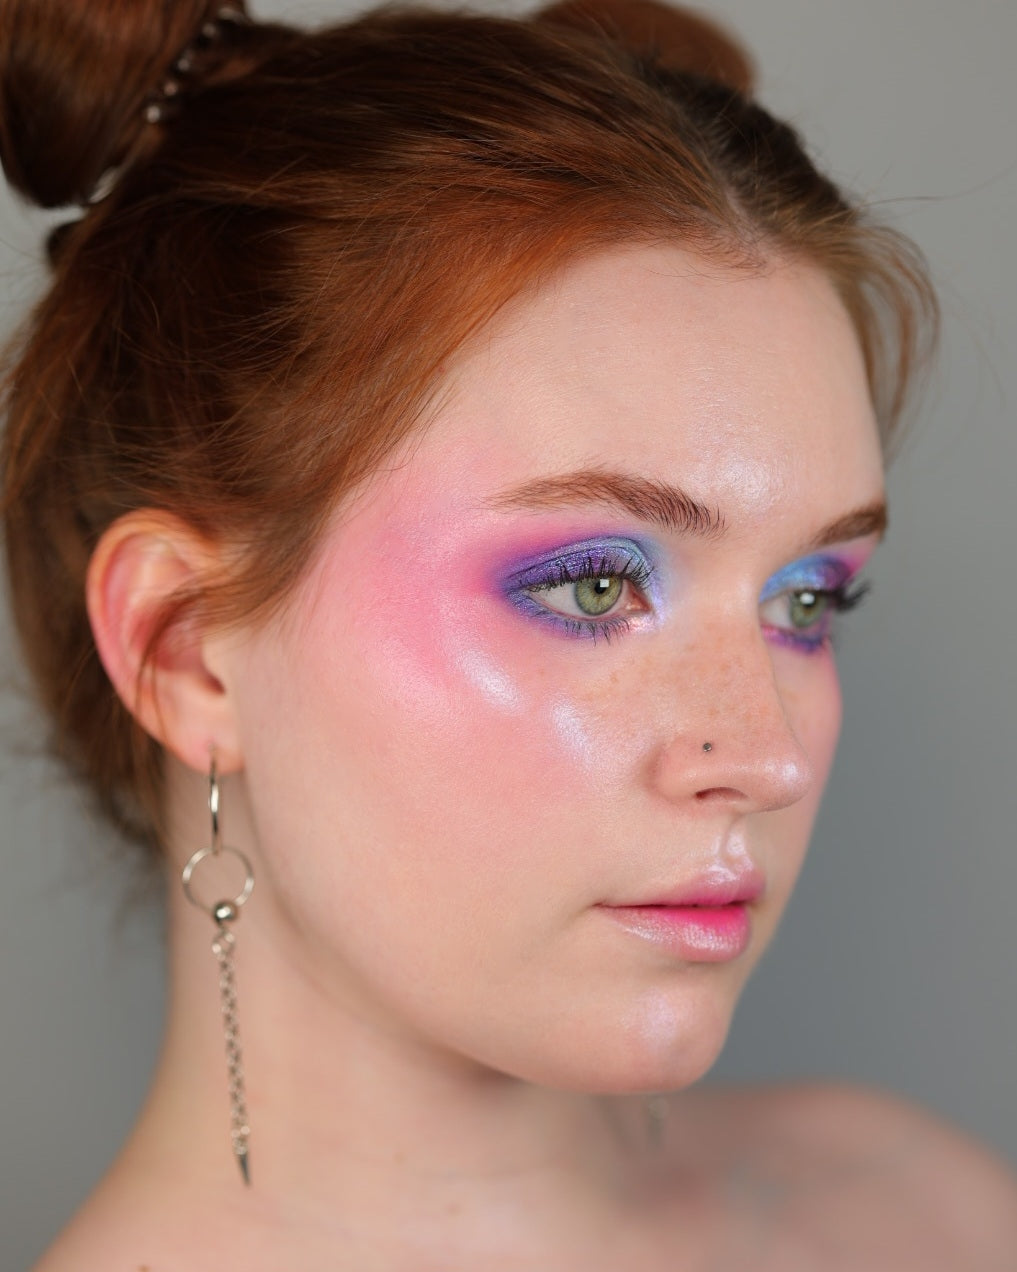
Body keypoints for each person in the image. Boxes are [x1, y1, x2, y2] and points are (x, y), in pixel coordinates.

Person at [2, 0, 1016, 1266]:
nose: (769, 757)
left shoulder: (932, 1219)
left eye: (806, 598)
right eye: (593, 586)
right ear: (186, 648)